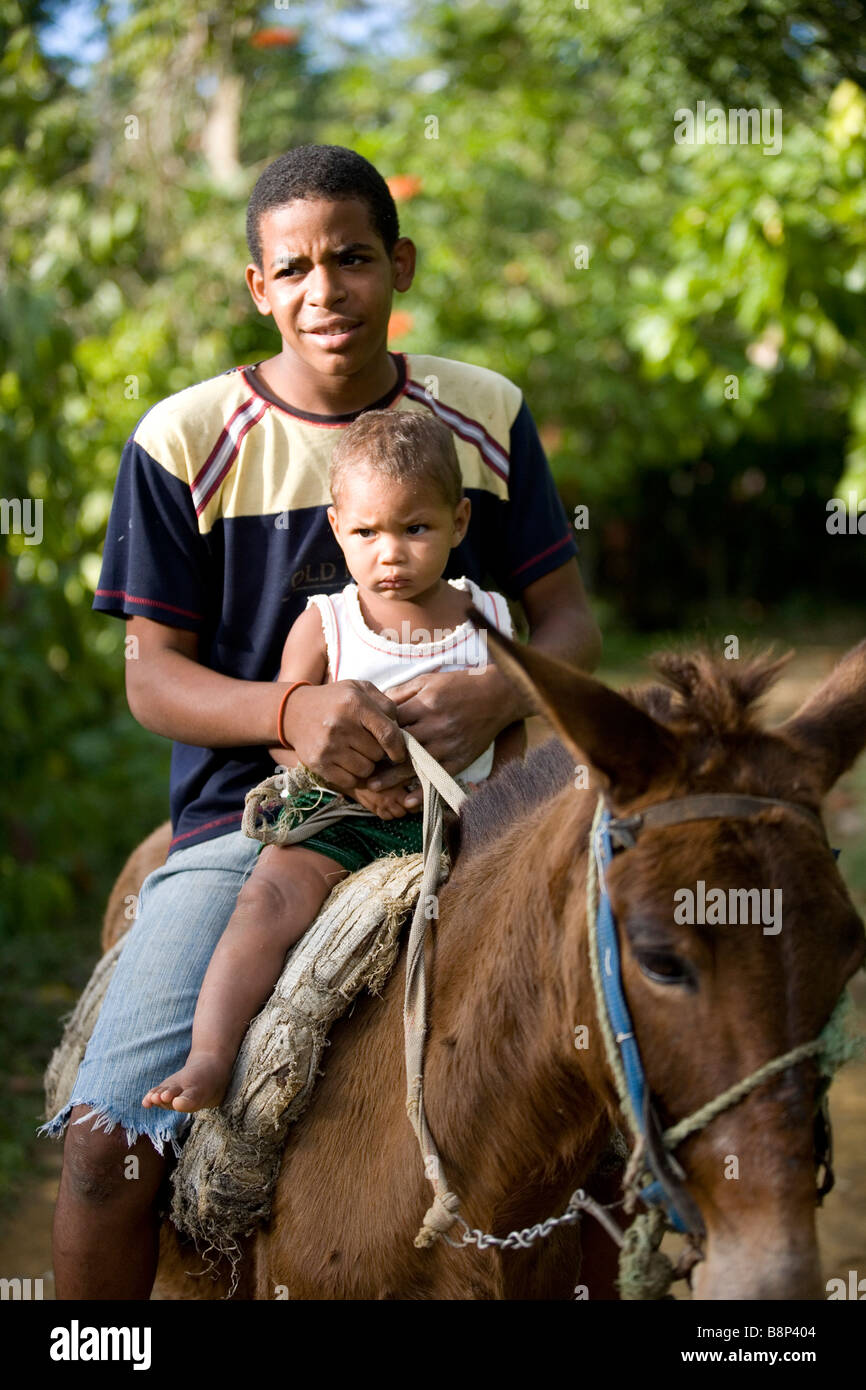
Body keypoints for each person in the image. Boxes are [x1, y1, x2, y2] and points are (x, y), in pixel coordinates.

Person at [40, 143, 602, 1299]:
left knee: (622, 1097)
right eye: (291, 267)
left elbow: (568, 625)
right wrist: (294, 707)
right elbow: (154, 678)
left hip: (486, 817)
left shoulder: (484, 414)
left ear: (397, 263)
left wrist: (502, 689)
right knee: (107, 1143)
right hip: (257, 823)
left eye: (350, 258)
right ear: (256, 287)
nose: (323, 290)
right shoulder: (183, 439)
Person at [142, 410, 519, 1114]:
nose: (391, 554)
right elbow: (288, 732)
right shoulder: (326, 622)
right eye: (368, 532)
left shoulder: (487, 617)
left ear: (460, 523)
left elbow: (513, 727)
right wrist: (348, 783)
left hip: (463, 823)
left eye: (416, 529)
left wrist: (498, 806)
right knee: (267, 900)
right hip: (340, 815)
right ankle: (211, 1055)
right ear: (338, 526)